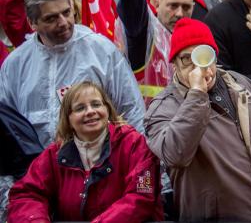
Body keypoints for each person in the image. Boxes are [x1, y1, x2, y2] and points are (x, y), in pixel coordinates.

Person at [145, 18, 251, 222]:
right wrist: (197, 93)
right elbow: (175, 154)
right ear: (174, 64)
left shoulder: (242, 84)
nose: (196, 66)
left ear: (214, 57)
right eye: (186, 59)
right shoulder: (163, 106)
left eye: (203, 55)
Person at [0, 0, 145, 147]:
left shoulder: (101, 51)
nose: (63, 22)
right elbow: (8, 126)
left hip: (99, 165)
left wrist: (141, 162)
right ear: (32, 23)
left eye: (66, 12)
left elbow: (132, 109)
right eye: (51, 18)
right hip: (37, 169)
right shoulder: (16, 64)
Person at [8, 81, 163, 223]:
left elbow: (142, 194)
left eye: (96, 104)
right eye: (80, 108)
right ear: (68, 118)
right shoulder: (54, 154)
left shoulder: (135, 145)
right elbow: (26, 194)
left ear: (107, 109)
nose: (90, 111)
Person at [119, 0, 195, 103]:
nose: (180, 13)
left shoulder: (204, 11)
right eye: (172, 6)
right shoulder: (144, 30)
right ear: (157, 3)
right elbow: (132, 5)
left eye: (186, 7)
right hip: (152, 121)